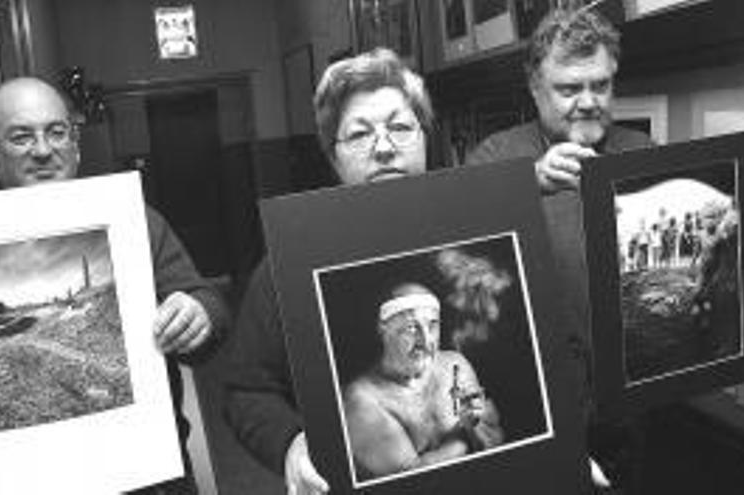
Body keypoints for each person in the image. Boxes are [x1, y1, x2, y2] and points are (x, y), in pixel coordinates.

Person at [0, 77, 229, 495]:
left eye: (56, 132)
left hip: (145, 477)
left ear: (76, 144)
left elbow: (209, 309)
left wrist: (200, 314)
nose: (42, 149)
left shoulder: (135, 220)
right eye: (20, 137)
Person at [223, 47, 434, 495]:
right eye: (359, 135)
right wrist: (291, 444)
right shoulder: (289, 261)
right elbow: (246, 392)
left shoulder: (484, 225)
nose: (383, 148)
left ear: (425, 137)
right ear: (334, 159)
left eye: (400, 127)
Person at [464, 7, 654, 492]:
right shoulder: (493, 157)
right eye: (569, 89)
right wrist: (527, 185)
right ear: (534, 88)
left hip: (634, 407)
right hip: (539, 409)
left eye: (601, 85)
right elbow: (463, 257)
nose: (589, 102)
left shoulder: (643, 152)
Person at [344, 283, 503, 481]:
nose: (426, 340)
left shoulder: (454, 364)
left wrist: (482, 422)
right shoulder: (362, 401)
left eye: (432, 325)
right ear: (383, 329)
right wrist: (467, 437)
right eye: (412, 328)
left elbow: (494, 441)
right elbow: (414, 482)